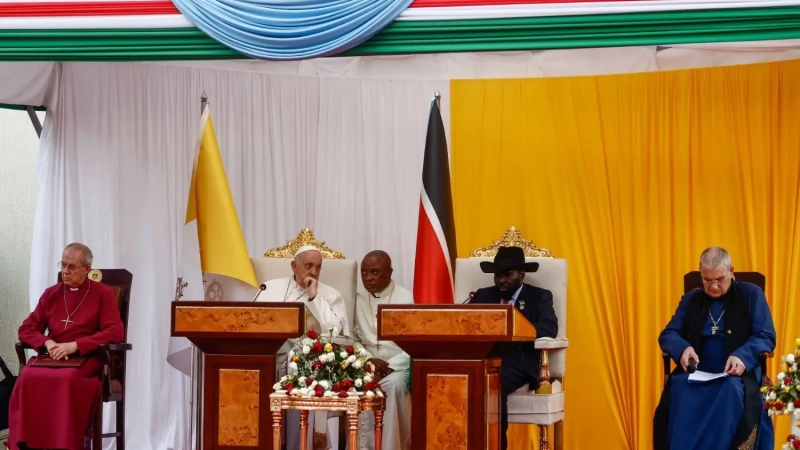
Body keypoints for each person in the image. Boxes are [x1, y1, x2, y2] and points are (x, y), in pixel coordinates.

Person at [654, 247, 776, 450]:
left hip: (736, 375)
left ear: (731, 271)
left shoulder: (751, 294)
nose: (714, 286)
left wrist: (742, 356)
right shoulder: (691, 299)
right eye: (708, 280)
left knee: (729, 391)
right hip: (697, 372)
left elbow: (766, 336)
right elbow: (668, 334)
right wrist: (683, 349)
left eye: (719, 279)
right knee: (680, 388)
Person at [7, 243, 124, 450]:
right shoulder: (51, 294)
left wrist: (76, 345)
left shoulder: (103, 294)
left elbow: (114, 332)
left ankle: (64, 444)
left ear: (87, 269)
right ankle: (27, 445)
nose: (65, 272)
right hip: (52, 356)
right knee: (26, 377)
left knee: (66, 379)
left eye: (72, 267)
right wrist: (47, 342)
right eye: (63, 265)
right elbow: (27, 328)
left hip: (87, 358)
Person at [257, 244, 350, 450]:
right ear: (293, 266)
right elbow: (254, 323)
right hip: (272, 361)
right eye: (308, 266)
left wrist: (314, 297)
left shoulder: (330, 295)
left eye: (318, 267)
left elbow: (335, 331)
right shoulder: (270, 288)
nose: (313, 272)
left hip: (311, 365)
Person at [470, 246, 558, 450]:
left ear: (522, 274)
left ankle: (495, 446)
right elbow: (467, 322)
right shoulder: (483, 295)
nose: (502, 280)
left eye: (508, 274)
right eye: (498, 275)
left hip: (520, 361)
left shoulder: (540, 296)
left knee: (492, 385)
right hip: (485, 358)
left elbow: (549, 328)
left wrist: (516, 330)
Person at [352, 250, 413, 450]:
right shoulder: (355, 299)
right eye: (364, 272)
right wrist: (369, 361)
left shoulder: (406, 298)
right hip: (366, 363)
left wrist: (389, 367)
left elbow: (416, 342)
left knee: (393, 386)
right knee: (355, 383)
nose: (368, 278)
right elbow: (352, 339)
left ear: (390, 272)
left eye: (375, 272)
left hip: (398, 367)